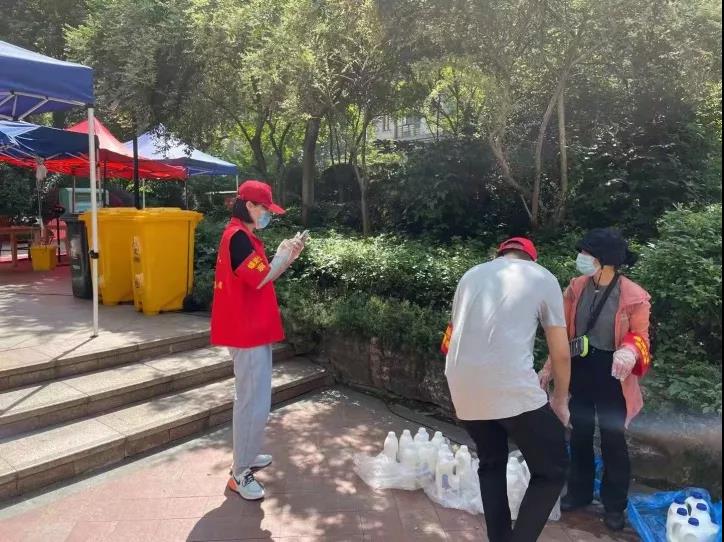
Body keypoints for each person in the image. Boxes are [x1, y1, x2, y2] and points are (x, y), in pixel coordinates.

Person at [445, 237, 571, 542]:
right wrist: (560, 400)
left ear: (499, 254)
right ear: (532, 259)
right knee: (552, 470)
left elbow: (453, 333)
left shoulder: (471, 275)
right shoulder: (543, 277)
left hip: (462, 384)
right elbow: (561, 353)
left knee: (491, 463)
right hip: (510, 385)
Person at [539, 228, 651, 531]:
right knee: (579, 433)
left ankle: (614, 506)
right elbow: (561, 333)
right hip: (580, 368)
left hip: (613, 373)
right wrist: (549, 368)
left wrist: (628, 352)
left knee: (613, 440)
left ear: (605, 260)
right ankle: (579, 492)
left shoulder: (634, 296)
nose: (582, 257)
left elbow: (641, 338)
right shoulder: (576, 287)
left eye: (587, 253)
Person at [210, 180, 305, 501]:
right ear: (249, 205)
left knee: (255, 399)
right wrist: (283, 256)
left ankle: (246, 456)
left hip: (251, 328)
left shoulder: (242, 236)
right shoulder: (237, 237)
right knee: (252, 402)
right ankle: (240, 473)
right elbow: (261, 277)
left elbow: (261, 276)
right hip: (246, 331)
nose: (268, 214)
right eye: (265, 208)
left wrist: (286, 257)